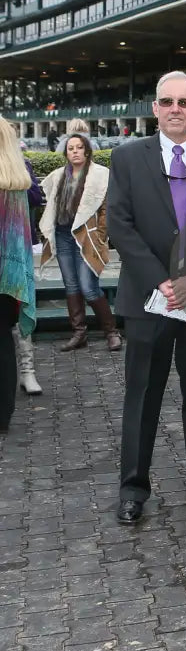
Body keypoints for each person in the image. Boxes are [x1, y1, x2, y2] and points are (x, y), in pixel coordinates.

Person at [107, 70, 186, 525]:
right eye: (167, 102)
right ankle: (133, 488)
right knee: (142, 396)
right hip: (148, 300)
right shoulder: (126, 158)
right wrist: (161, 281)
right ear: (155, 108)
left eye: (185, 102)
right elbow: (120, 225)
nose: (176, 110)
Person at [38, 133, 122, 352]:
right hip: (63, 234)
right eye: (70, 148)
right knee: (71, 286)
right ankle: (79, 334)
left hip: (87, 235)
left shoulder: (100, 175)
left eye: (79, 147)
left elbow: (106, 208)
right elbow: (50, 207)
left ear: (87, 150)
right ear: (66, 153)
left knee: (88, 287)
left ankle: (111, 332)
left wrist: (101, 233)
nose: (75, 151)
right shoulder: (58, 176)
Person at [0, 115, 37, 433]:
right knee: (3, 343)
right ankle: (4, 414)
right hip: (9, 280)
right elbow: (20, 241)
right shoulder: (16, 184)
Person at [12, 155, 42, 396]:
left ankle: (27, 370)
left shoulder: (19, 162)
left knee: (21, 304)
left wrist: (18, 174)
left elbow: (35, 197)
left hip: (15, 247)